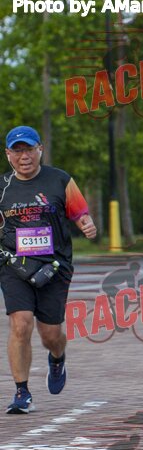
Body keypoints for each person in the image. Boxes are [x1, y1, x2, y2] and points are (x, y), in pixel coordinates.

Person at [1, 126, 96, 414]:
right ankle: (22, 392)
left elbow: (80, 213)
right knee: (20, 323)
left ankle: (57, 358)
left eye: (29, 149)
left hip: (54, 266)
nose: (24, 156)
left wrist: (86, 224)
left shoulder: (60, 180)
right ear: (8, 155)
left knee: (50, 334)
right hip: (14, 265)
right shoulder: (2, 187)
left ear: (40, 149)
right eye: (17, 151)